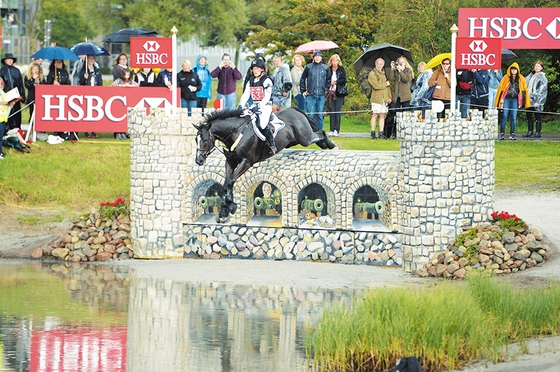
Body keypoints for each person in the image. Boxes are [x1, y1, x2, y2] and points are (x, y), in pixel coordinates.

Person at [238, 58, 276, 154]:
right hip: (254, 105)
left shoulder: (267, 80)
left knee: (262, 125)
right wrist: (240, 105)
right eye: (254, 69)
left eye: (258, 69)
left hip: (265, 105)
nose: (255, 71)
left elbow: (267, 97)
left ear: (262, 69)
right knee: (242, 119)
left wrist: (259, 106)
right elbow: (246, 94)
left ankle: (272, 145)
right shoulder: (250, 80)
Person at [494, 62, 530, 140]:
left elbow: (524, 90)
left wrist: (523, 102)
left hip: (515, 99)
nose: (513, 71)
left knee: (513, 116)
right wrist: (501, 99)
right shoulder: (506, 78)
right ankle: (502, 133)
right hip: (506, 99)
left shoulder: (521, 78)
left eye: (515, 69)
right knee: (504, 115)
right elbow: (501, 89)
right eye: (512, 69)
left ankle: (512, 133)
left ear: (517, 70)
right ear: (510, 70)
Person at [300, 50, 329, 131]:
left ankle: (319, 131)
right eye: (316, 56)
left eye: (319, 56)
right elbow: (302, 79)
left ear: (321, 58)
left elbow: (328, 80)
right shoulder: (308, 67)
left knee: (320, 115)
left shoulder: (325, 68)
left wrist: (325, 89)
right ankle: (310, 131)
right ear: (313, 57)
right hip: (311, 95)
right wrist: (303, 90)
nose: (317, 58)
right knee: (310, 115)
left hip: (321, 95)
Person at [388, 56, 413, 137]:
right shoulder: (395, 70)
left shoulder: (408, 70)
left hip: (405, 96)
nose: (401, 63)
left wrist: (401, 71)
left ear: (405, 63)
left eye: (402, 62)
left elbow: (406, 79)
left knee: (405, 115)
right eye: (399, 62)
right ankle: (395, 132)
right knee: (396, 115)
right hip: (397, 96)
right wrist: (392, 68)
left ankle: (405, 132)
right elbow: (391, 79)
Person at [0, 53, 25, 130]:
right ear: (5, 60)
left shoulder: (17, 71)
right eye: (8, 59)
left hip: (16, 97)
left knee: (16, 115)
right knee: (7, 115)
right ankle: (5, 131)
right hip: (5, 97)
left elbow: (20, 84)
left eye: (11, 59)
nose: (10, 61)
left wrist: (22, 96)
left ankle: (16, 130)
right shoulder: (1, 71)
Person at [79, 55, 102, 139]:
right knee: (86, 112)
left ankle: (93, 131)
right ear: (87, 60)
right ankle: (86, 131)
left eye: (93, 59)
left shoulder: (97, 70)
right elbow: (80, 82)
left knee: (94, 112)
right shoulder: (83, 70)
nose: (91, 60)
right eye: (89, 58)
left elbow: (100, 81)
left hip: (95, 93)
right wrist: (85, 78)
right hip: (86, 93)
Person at [368, 58, 391, 139]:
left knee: (382, 115)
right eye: (378, 63)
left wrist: (389, 96)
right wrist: (386, 84)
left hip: (384, 98)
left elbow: (388, 87)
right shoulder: (372, 74)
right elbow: (376, 86)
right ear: (375, 64)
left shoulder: (384, 73)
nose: (379, 65)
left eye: (381, 64)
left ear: (383, 64)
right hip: (376, 98)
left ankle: (381, 132)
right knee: (375, 114)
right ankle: (373, 132)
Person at [524, 61, 548, 138]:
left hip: (537, 100)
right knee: (529, 115)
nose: (536, 67)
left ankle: (538, 132)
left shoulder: (543, 78)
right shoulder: (530, 76)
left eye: (538, 66)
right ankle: (530, 131)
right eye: (536, 66)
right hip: (529, 98)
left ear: (541, 68)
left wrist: (539, 101)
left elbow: (542, 90)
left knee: (537, 115)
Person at [112, 68, 138, 140]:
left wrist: (130, 86)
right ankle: (118, 132)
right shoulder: (118, 80)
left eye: (128, 74)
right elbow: (114, 85)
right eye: (126, 74)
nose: (127, 76)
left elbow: (137, 85)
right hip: (119, 102)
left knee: (126, 118)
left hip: (128, 102)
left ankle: (124, 132)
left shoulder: (130, 81)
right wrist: (122, 85)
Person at [327, 54, 347, 137]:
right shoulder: (328, 69)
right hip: (331, 92)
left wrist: (336, 82)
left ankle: (336, 129)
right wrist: (330, 83)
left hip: (339, 93)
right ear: (331, 62)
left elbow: (344, 80)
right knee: (332, 111)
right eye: (333, 61)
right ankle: (331, 129)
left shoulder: (341, 69)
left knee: (337, 111)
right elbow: (326, 79)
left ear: (338, 62)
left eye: (336, 61)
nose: (334, 62)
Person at [0, 78, 8, 160]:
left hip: (3, 119)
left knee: (1, 137)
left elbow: (5, 102)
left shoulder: (2, 92)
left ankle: (0, 152)